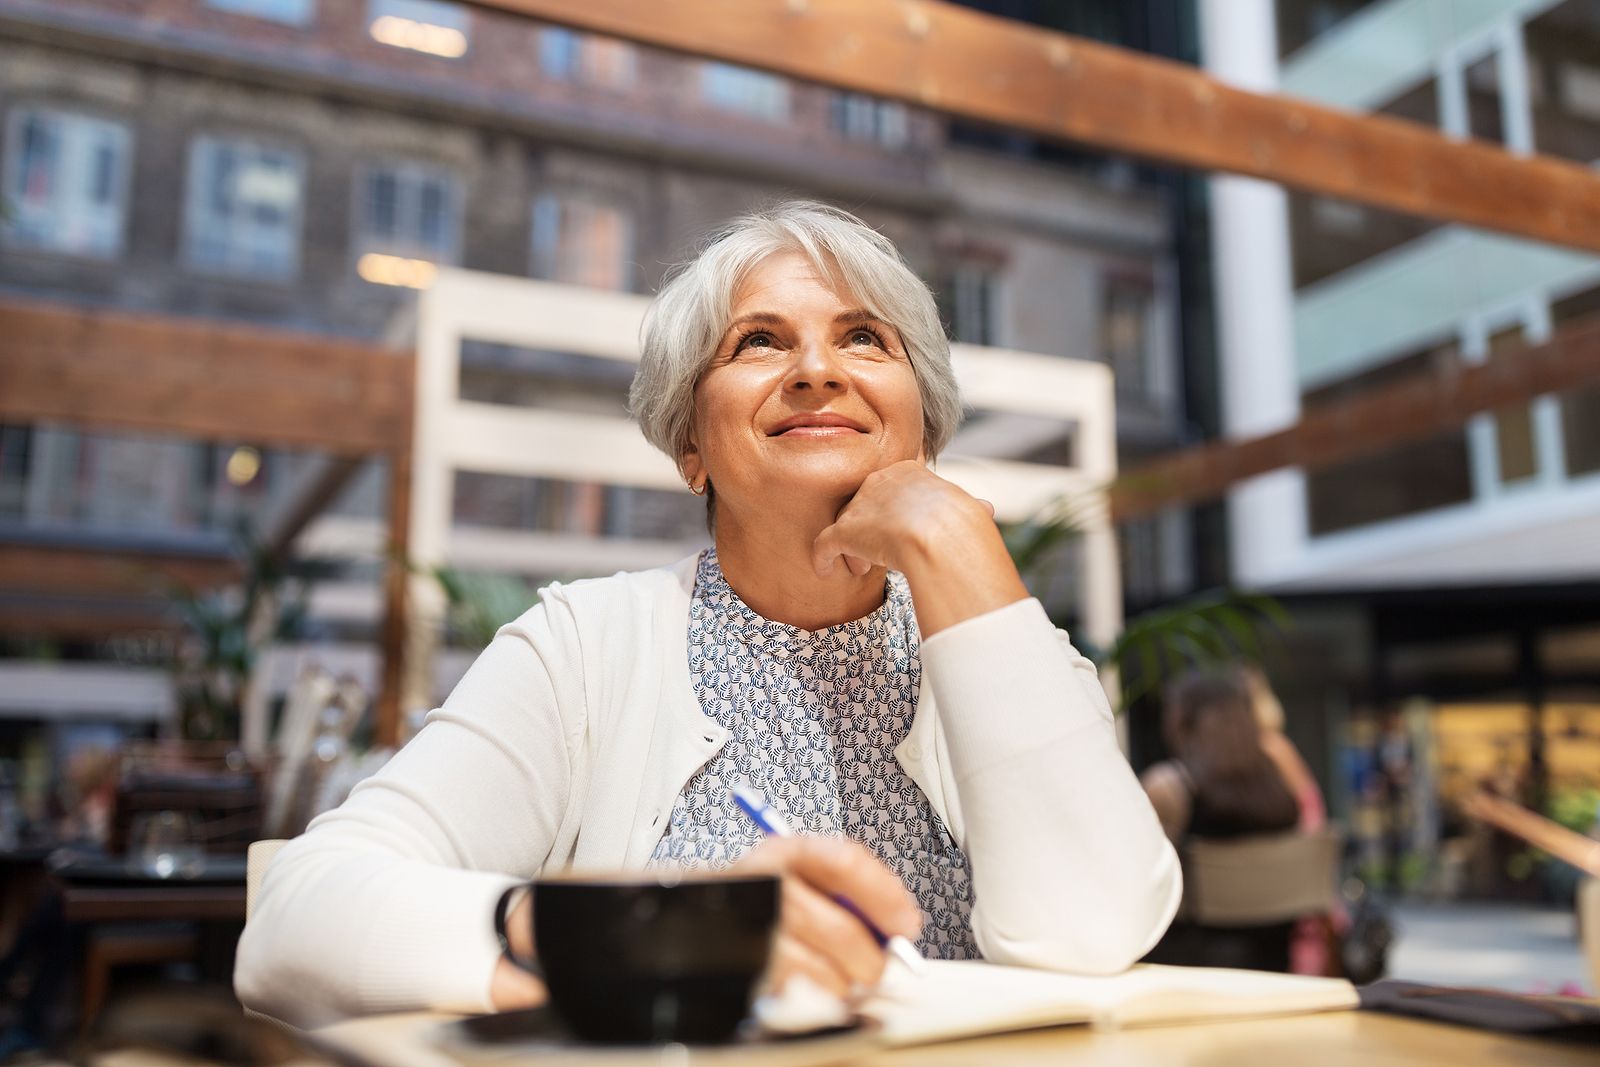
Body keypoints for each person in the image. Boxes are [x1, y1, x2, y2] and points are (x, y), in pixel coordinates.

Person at [235, 201, 1181, 1026]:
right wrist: (596, 929)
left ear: (924, 425)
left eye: (864, 338)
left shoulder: (1010, 646)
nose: (817, 368)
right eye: (759, 341)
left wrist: (956, 541)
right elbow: (291, 923)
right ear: (691, 447)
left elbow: (1092, 932)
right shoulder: (582, 650)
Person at [1140, 668, 1303, 971]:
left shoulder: (1170, 788)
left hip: (1188, 971)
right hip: (1275, 967)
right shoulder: (1280, 780)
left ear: (1181, 722)